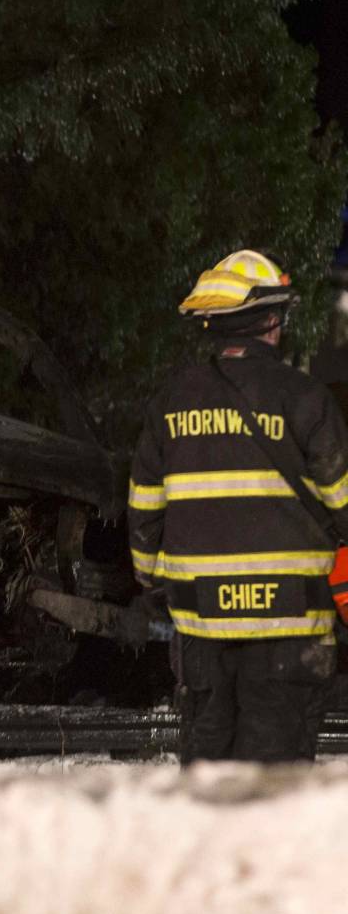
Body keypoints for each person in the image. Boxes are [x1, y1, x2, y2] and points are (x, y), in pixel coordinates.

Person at [129, 249, 348, 764]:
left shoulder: (169, 403)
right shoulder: (307, 399)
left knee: (208, 775)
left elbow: (144, 513)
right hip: (290, 632)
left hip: (202, 628)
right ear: (271, 320)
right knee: (274, 784)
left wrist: (151, 582)